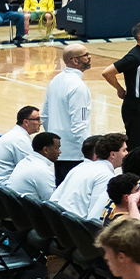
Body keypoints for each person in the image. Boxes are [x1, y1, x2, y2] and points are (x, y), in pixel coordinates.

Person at [102, 20, 140, 151]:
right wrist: (120, 89)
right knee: (136, 144)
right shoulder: (135, 56)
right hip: (136, 107)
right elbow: (107, 72)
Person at [42, 44, 93, 181]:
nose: (89, 57)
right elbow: (80, 125)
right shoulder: (78, 87)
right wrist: (89, 153)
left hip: (58, 152)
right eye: (86, 55)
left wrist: (55, 142)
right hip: (75, 154)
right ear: (75, 60)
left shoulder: (55, 80)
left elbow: (45, 116)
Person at [51, 133, 128, 220]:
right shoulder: (105, 176)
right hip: (76, 228)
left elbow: (53, 200)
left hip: (62, 223)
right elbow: (95, 218)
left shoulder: (81, 167)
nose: (127, 153)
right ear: (113, 154)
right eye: (124, 150)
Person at [0, 106, 40, 186]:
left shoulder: (15, 134)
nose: (41, 122)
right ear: (26, 122)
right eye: (37, 119)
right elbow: (32, 170)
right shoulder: (20, 139)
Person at [6, 132, 61, 200]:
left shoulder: (25, 162)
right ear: (45, 150)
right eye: (57, 148)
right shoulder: (42, 170)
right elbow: (52, 202)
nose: (59, 152)